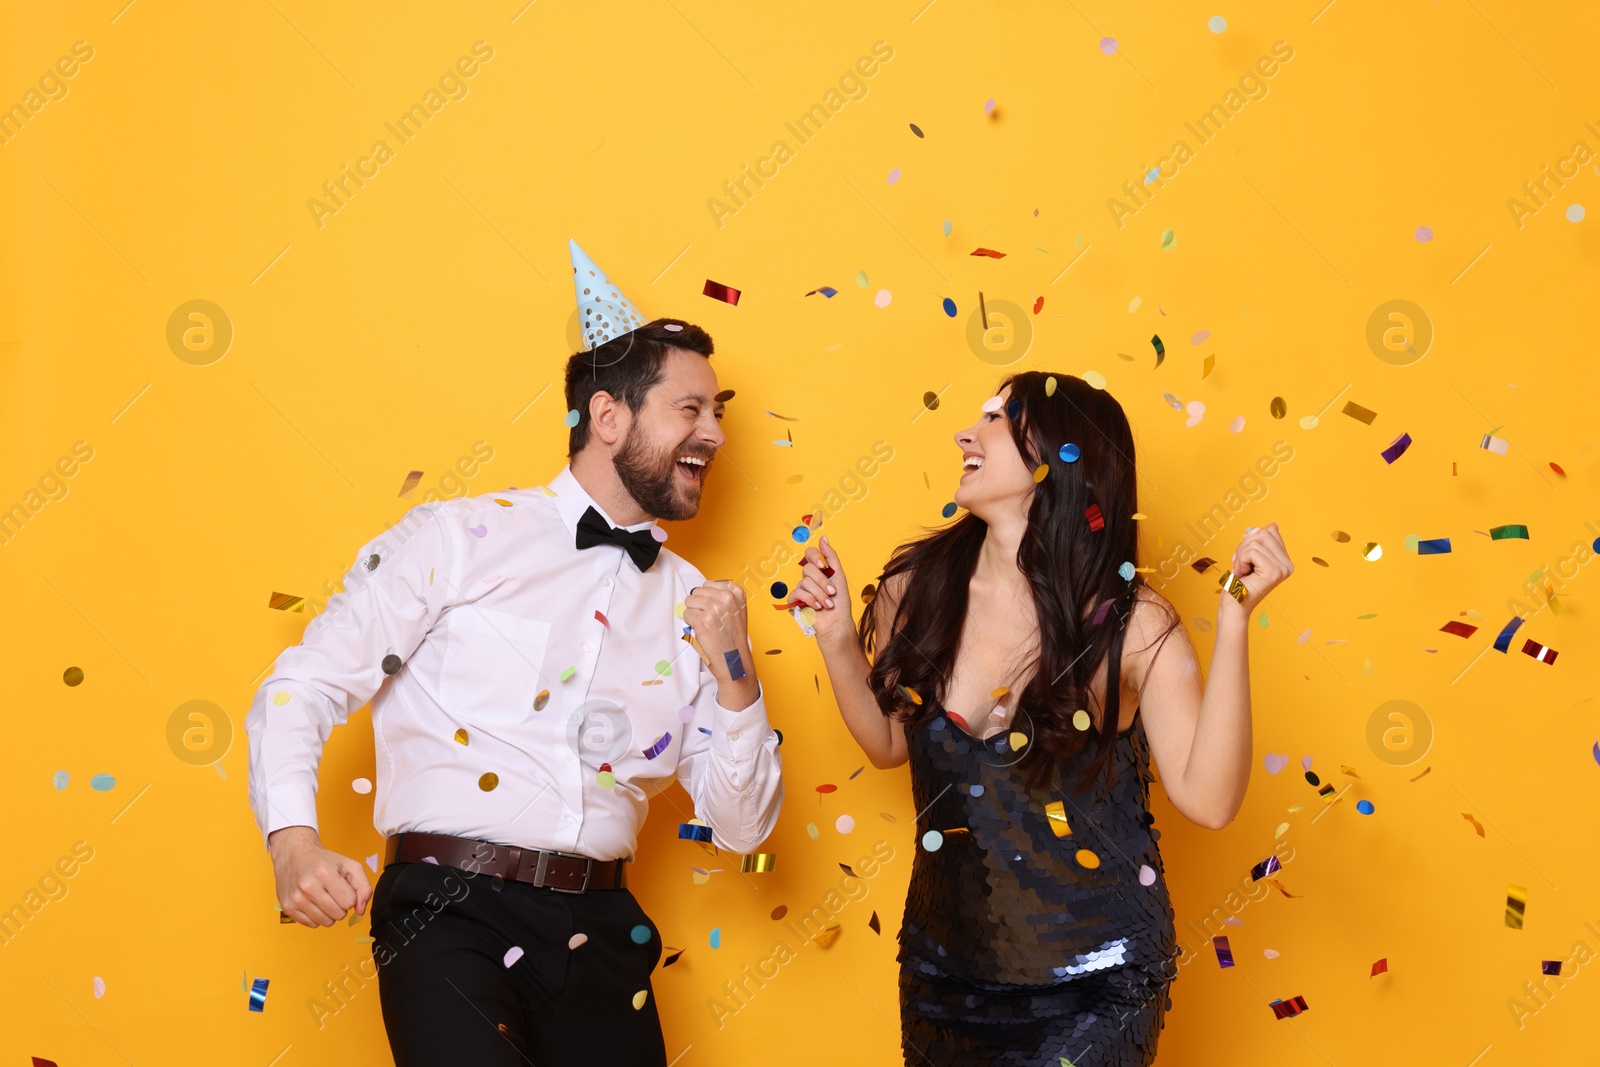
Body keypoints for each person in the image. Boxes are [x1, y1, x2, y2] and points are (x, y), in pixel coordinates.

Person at [245, 240, 784, 1066]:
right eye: (692, 409)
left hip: (606, 933)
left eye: (720, 411)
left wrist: (736, 672)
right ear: (609, 418)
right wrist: (292, 839)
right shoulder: (452, 539)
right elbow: (306, 683)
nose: (715, 432)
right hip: (448, 912)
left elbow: (742, 828)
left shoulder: (696, 604)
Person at [789, 371, 1294, 1066]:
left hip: (1099, 979)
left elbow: (1208, 801)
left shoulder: (1133, 623)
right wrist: (838, 639)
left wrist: (1235, 617)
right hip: (945, 976)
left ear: (1058, 457)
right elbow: (886, 744)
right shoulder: (919, 587)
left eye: (998, 417)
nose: (969, 432)